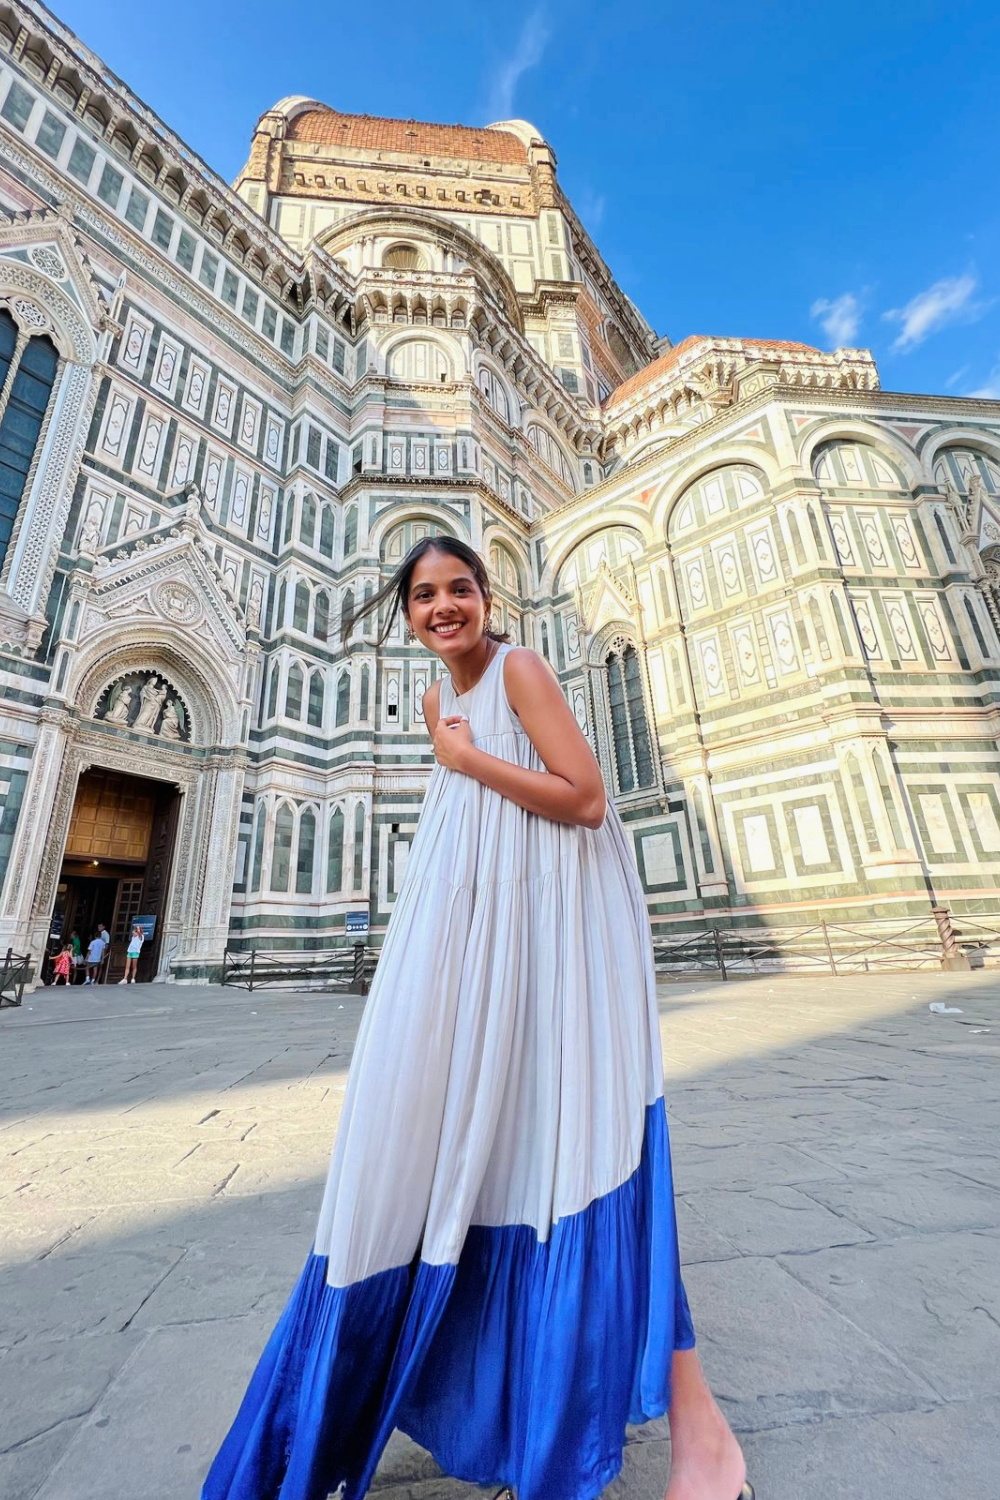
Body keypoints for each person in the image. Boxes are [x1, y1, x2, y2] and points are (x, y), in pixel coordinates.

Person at [202, 538, 751, 1500]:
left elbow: (586, 802)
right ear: (407, 616)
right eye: (424, 595)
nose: (443, 605)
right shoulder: (433, 698)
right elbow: (471, 820)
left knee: (568, 1153)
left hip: (559, 952)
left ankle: (699, 1441)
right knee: (469, 1153)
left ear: (488, 598)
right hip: (484, 948)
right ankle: (546, 1411)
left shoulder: (521, 668)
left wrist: (461, 756)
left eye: (460, 588)